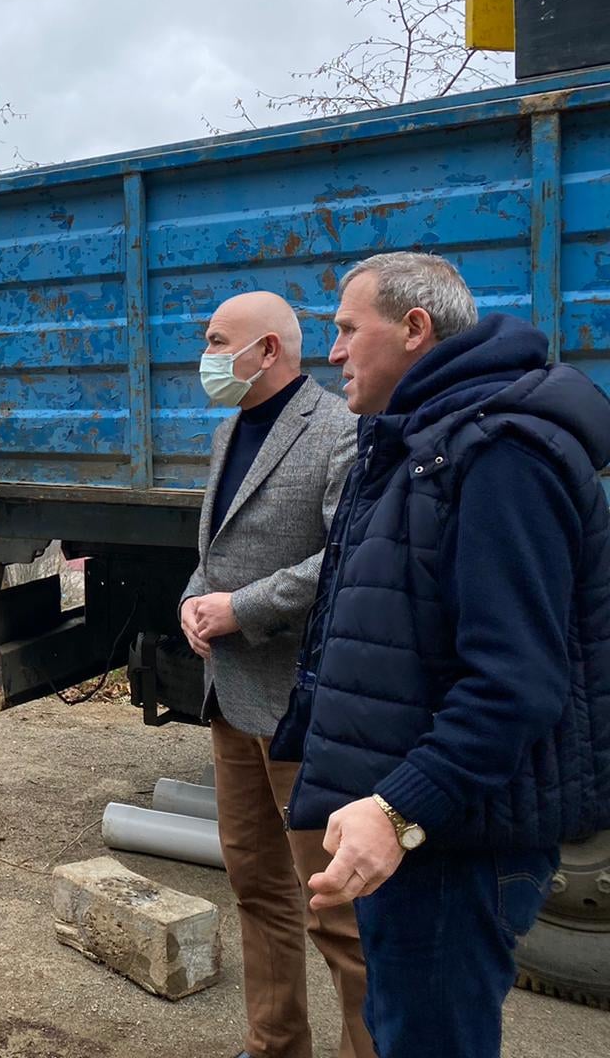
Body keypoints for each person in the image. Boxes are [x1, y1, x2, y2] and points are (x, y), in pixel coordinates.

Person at [271, 252, 610, 1057]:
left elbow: (515, 683)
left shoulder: (499, 454)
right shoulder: (415, 442)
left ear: (415, 328)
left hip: (458, 843)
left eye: (349, 330)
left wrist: (398, 811)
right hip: (424, 827)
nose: (334, 353)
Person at [178, 291, 371, 1058]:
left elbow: (346, 558)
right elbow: (218, 549)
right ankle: (275, 1043)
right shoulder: (229, 430)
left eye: (218, 340)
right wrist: (196, 602)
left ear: (267, 352)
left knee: (338, 912)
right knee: (257, 889)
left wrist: (241, 609)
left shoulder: (339, 430)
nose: (206, 354)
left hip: (302, 707)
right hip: (231, 699)